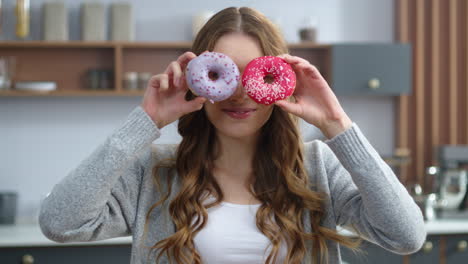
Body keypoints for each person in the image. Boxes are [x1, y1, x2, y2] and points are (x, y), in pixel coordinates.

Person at [39, 6, 426, 264]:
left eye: (254, 76)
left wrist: (337, 125)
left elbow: (405, 235)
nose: (240, 94)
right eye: (224, 76)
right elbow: (60, 222)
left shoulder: (317, 167)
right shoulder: (155, 172)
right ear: (198, 81)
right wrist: (145, 121)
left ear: (279, 81)